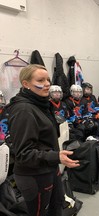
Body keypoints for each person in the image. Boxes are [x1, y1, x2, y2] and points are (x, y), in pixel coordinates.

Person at [7, 64, 79, 216]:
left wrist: (55, 158)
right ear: (25, 84)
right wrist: (56, 156)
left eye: (48, 79)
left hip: (49, 168)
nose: (47, 84)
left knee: (56, 208)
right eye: (41, 80)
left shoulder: (41, 104)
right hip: (34, 175)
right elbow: (23, 154)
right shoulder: (24, 110)